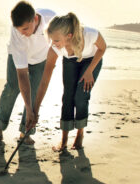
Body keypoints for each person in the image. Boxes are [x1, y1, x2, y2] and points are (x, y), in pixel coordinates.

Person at [32, 12, 107, 151]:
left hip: (91, 60)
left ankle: (80, 133)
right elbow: (44, 81)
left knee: (80, 96)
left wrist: (90, 71)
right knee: (67, 97)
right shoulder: (54, 49)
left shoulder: (90, 34)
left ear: (69, 36)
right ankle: (64, 138)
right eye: (51, 40)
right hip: (70, 61)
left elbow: (102, 48)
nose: (53, 44)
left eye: (56, 40)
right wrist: (35, 110)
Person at [0, 1, 55, 152]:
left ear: (35, 19)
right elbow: (22, 74)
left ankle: (24, 133)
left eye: (25, 29)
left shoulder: (51, 20)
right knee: (12, 88)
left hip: (41, 59)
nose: (22, 33)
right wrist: (27, 107)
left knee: (34, 93)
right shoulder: (17, 32)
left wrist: (31, 109)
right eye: (19, 30)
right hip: (19, 56)